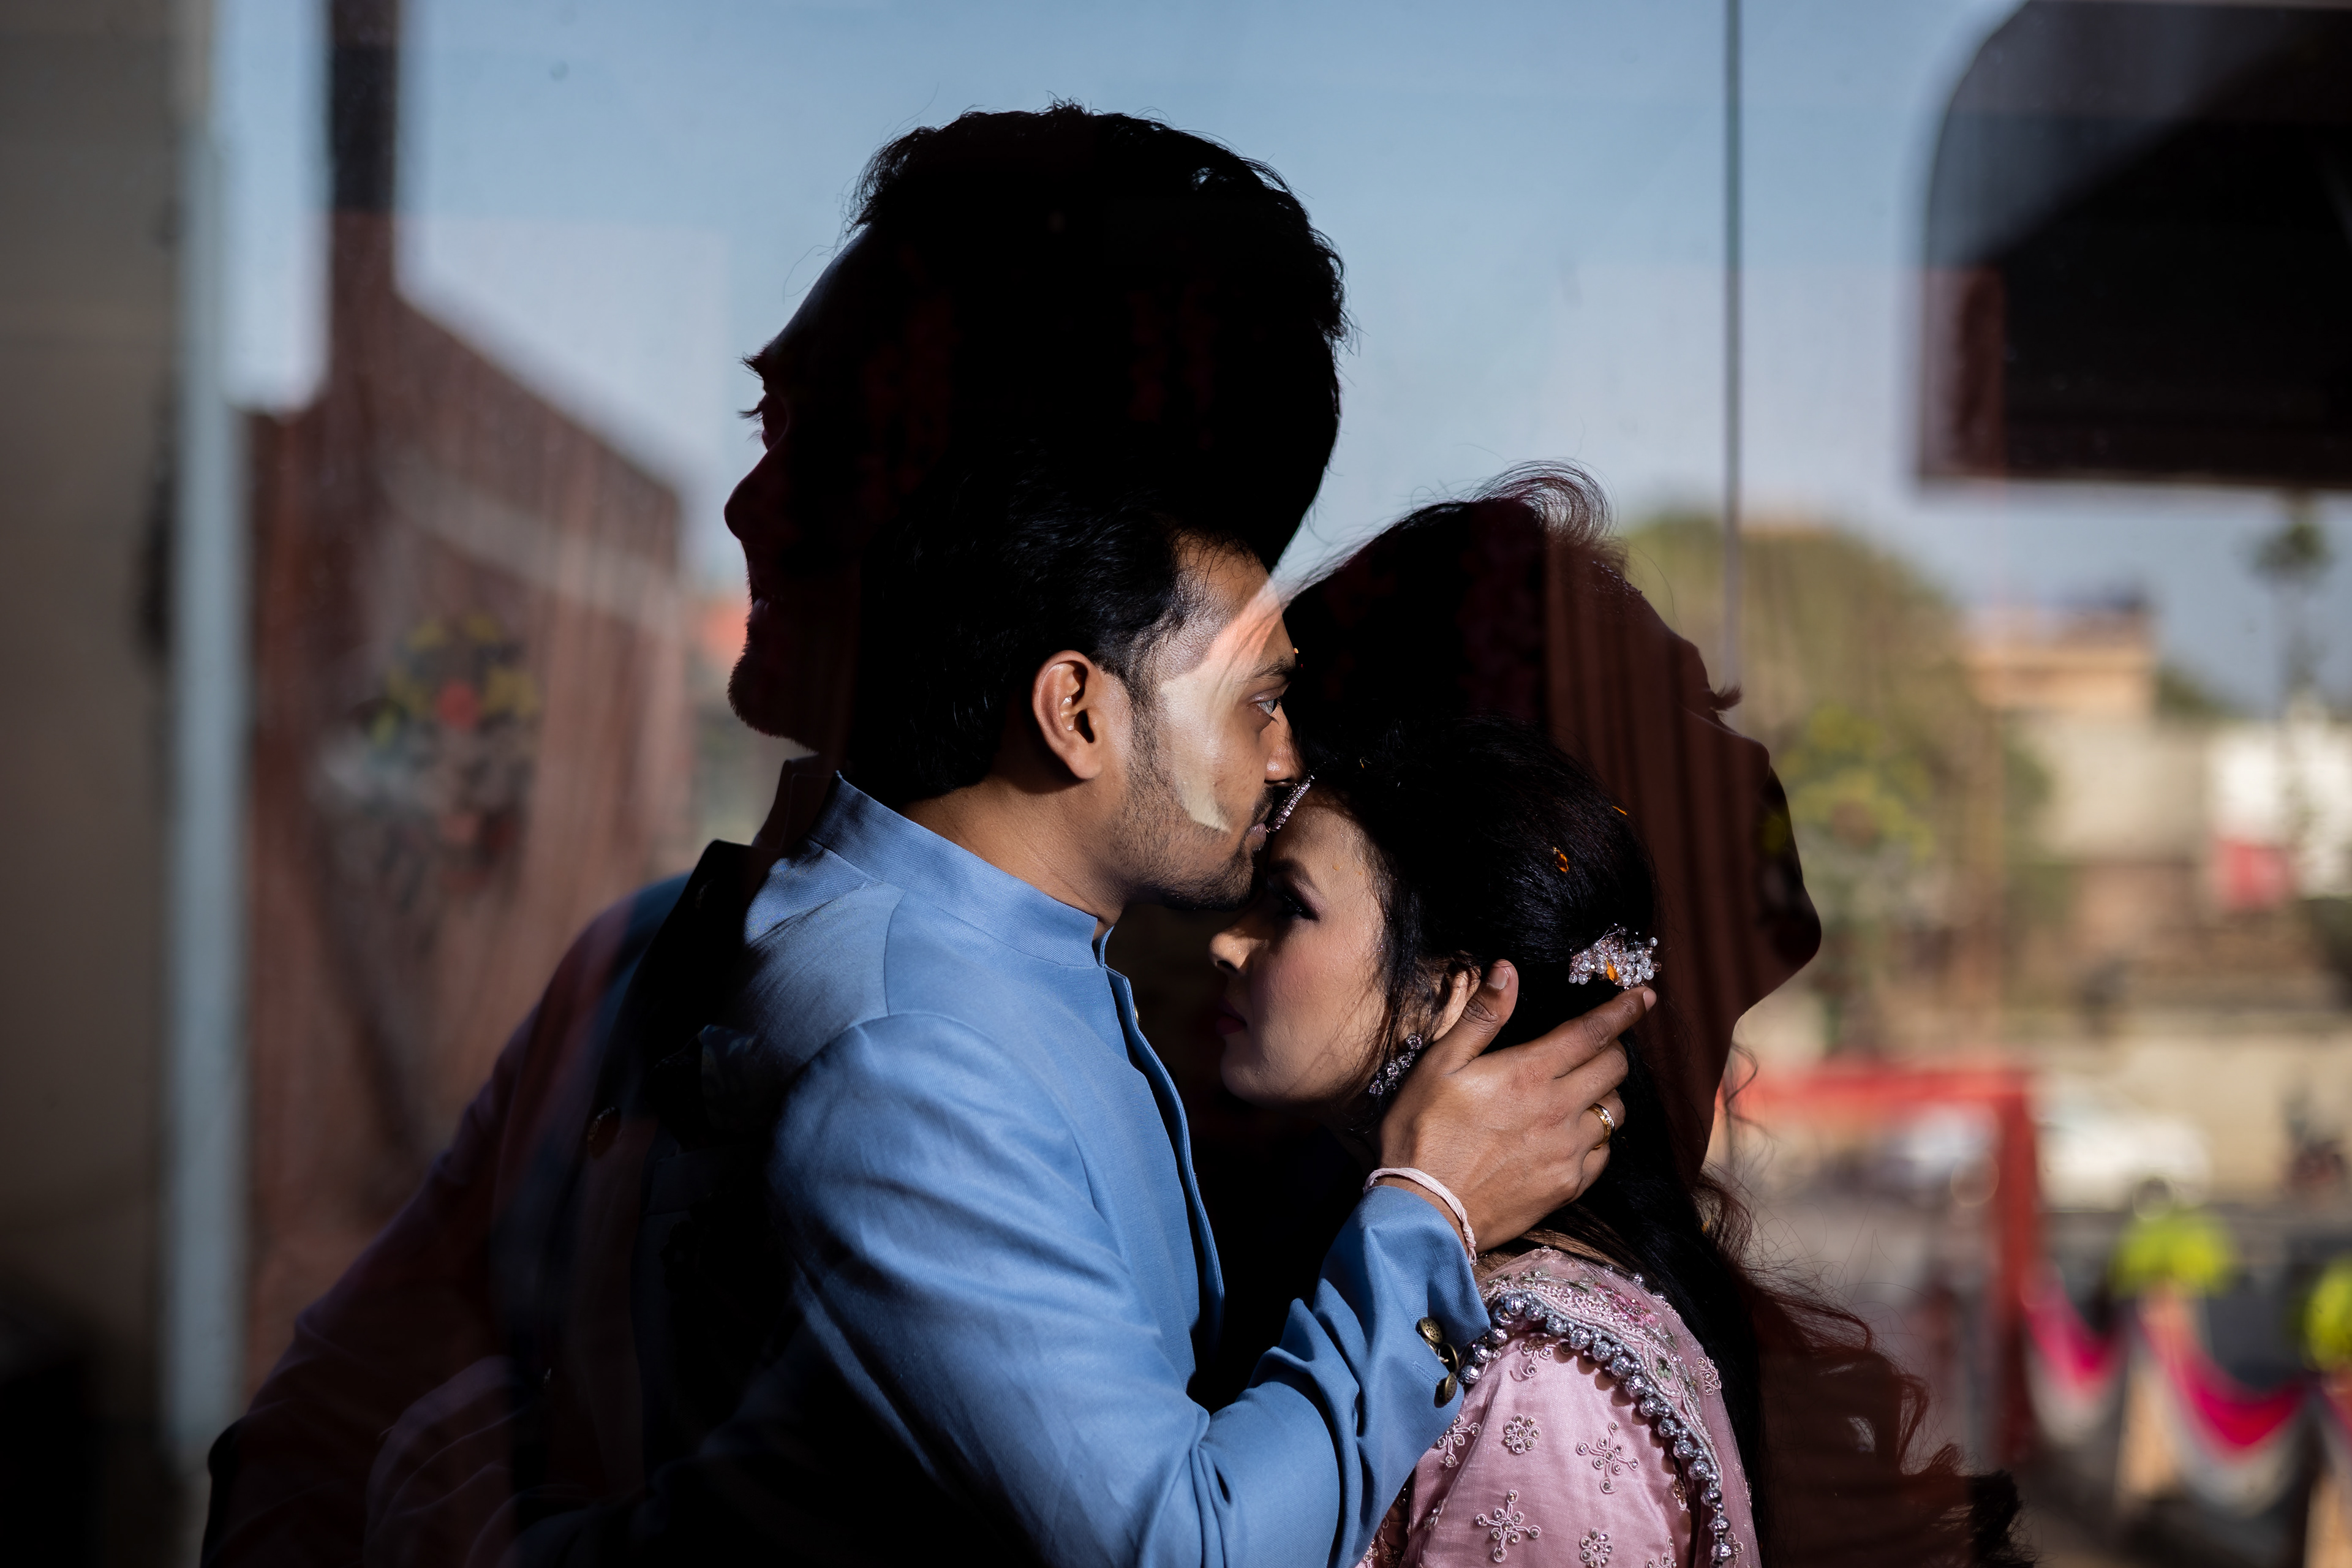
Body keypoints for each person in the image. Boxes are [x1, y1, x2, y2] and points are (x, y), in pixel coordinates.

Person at [204, 108, 1647, 1568]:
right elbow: (311, 1448)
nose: (749, 504)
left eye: (830, 448)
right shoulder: (662, 978)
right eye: (771, 429)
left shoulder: (1290, 1059)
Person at [1209, 475, 2030, 1567]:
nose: (1746, 775)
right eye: (1687, 720)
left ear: (1461, 976)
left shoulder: (1535, 1375)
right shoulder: (1387, 1289)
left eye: (1289, 901)